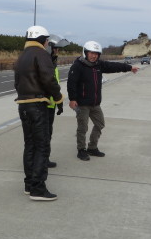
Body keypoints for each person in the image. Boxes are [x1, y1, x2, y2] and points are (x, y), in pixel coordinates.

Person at [14, 25, 64, 201]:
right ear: (43, 40)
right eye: (47, 40)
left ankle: (29, 185)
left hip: (23, 105)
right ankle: (38, 189)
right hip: (38, 105)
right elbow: (48, 79)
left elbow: (17, 83)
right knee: (42, 147)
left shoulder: (22, 57)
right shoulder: (41, 54)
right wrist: (58, 98)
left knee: (30, 145)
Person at [67, 41, 139, 161]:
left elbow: (114, 66)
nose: (94, 56)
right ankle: (81, 149)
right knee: (82, 127)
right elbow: (71, 83)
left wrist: (129, 68)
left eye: (96, 54)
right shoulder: (77, 66)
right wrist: (72, 99)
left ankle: (92, 147)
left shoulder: (98, 65)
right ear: (85, 52)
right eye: (91, 53)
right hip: (82, 103)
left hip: (95, 103)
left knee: (100, 124)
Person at [45, 34, 70, 168]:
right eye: (56, 49)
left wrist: (58, 103)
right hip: (45, 105)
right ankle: (41, 160)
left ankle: (44, 158)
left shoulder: (51, 62)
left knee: (47, 134)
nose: (58, 52)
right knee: (43, 135)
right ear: (50, 48)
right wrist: (58, 100)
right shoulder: (46, 63)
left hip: (51, 105)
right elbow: (50, 84)